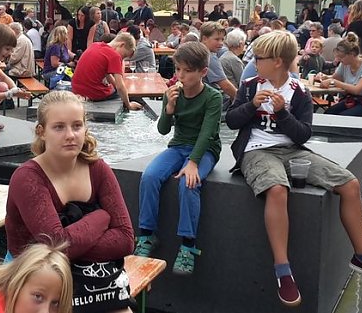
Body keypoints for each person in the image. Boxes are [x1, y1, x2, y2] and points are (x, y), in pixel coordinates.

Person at [226, 31, 362, 306]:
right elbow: (232, 121)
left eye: (259, 58)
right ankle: (283, 270)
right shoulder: (249, 86)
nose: (254, 62)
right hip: (256, 151)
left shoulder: (299, 92)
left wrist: (282, 114)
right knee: (277, 189)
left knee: (350, 184)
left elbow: (303, 135)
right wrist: (250, 105)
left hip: (292, 150)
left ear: (278, 62)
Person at [5, 91, 134, 313]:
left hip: (88, 273)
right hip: (33, 278)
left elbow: (125, 239)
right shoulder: (28, 177)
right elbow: (57, 245)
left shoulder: (98, 169)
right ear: (41, 132)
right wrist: (101, 217)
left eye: (76, 126)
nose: (70, 135)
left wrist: (70, 244)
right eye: (59, 127)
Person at [135, 43, 221, 274]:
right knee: (150, 176)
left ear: (203, 72)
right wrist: (169, 107)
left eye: (186, 71)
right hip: (178, 146)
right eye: (178, 69)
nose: (180, 76)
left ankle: (188, 245)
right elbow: (163, 130)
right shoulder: (172, 93)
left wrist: (193, 162)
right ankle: (146, 235)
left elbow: (207, 133)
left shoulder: (213, 97)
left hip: (205, 150)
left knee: (188, 183)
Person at [318, 34, 362, 118]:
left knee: (343, 117)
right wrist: (324, 77)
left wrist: (334, 82)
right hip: (354, 99)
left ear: (352, 54)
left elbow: (357, 90)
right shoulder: (344, 64)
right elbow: (335, 77)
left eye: (341, 57)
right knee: (329, 113)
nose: (339, 59)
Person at [70, 32, 142, 111]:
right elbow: (120, 86)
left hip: (76, 88)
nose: (122, 59)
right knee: (126, 96)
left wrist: (115, 87)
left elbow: (107, 74)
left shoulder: (95, 45)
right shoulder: (115, 55)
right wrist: (129, 105)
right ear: (122, 45)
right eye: (124, 55)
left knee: (116, 91)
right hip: (92, 93)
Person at [200, 22, 238, 101]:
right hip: (213, 100)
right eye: (217, 39)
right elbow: (226, 86)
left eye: (222, 39)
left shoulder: (196, 51)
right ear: (204, 39)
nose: (221, 43)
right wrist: (241, 100)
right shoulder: (209, 57)